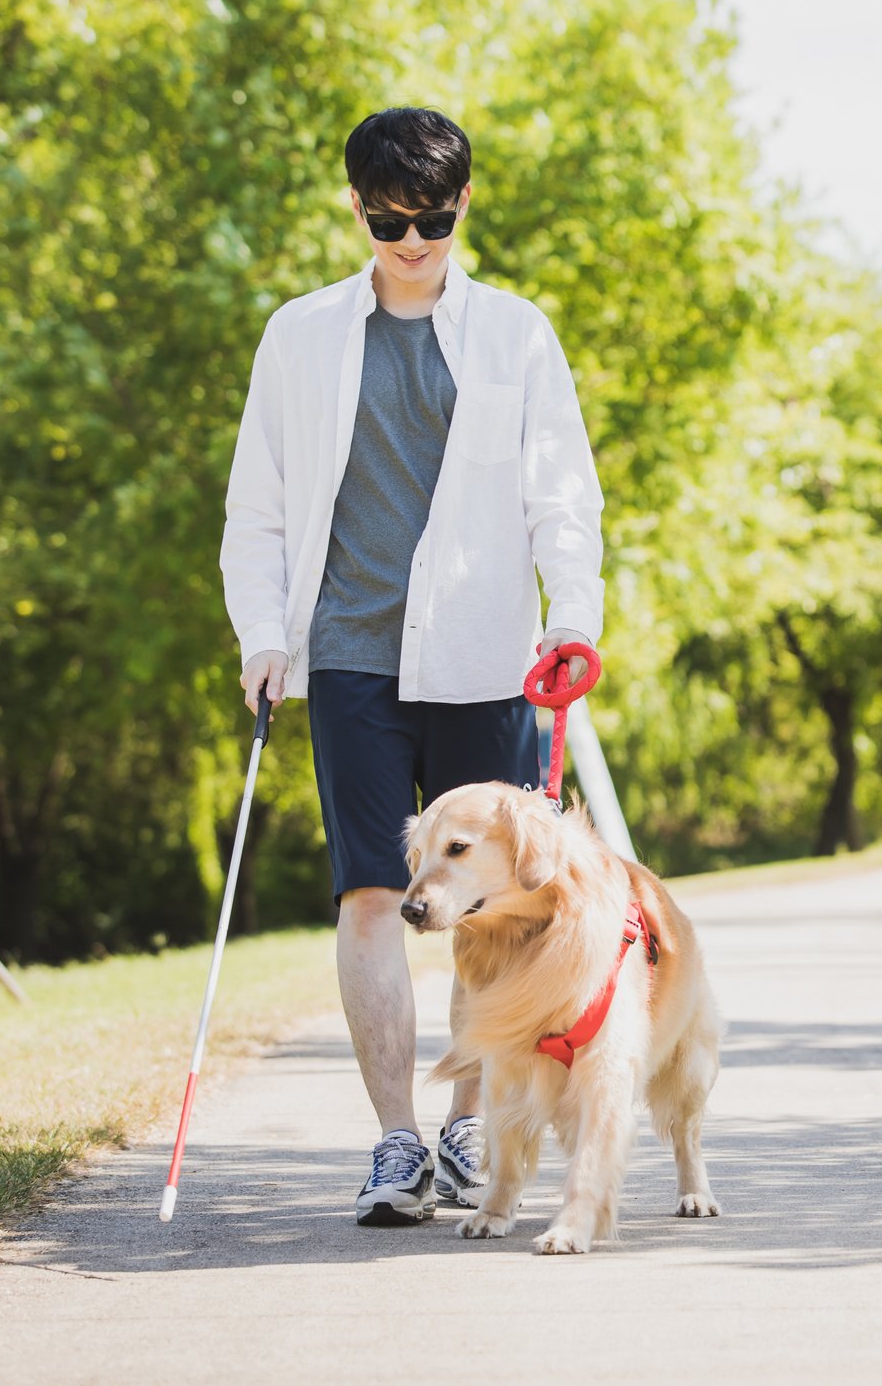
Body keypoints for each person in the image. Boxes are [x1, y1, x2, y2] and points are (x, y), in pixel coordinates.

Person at [219, 106, 604, 1226]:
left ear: (463, 203)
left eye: (433, 219)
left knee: (488, 909)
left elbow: (561, 496)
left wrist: (571, 616)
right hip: (350, 655)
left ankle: (471, 1121)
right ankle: (396, 1143)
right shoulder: (299, 336)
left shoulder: (516, 335)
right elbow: (258, 506)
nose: (413, 242)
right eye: (389, 222)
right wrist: (261, 634)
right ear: (355, 208)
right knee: (374, 895)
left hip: (484, 656)